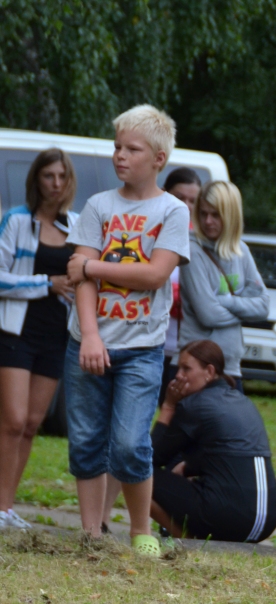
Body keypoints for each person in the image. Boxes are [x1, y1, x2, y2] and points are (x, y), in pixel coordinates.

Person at [65, 104, 190, 556]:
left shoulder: (173, 210)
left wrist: (92, 264)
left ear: (158, 158)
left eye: (132, 149)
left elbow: (156, 275)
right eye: (117, 146)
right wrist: (91, 335)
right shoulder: (98, 206)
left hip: (141, 348)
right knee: (85, 441)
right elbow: (80, 282)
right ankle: (91, 535)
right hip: (88, 342)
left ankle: (140, 532)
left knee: (129, 443)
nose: (120, 155)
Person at [0, 149, 78, 529]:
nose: (56, 184)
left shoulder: (77, 227)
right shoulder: (16, 220)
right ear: (37, 180)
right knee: (12, 420)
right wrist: (47, 283)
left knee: (32, 423)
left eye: (62, 176)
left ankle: (7, 507)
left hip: (56, 336)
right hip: (15, 332)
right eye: (49, 176)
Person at [151, 340, 276, 542]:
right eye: (178, 368)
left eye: (186, 369)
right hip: (268, 520)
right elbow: (223, 454)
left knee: (136, 473)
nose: (178, 375)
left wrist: (168, 407)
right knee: (179, 470)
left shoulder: (194, 405)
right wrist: (186, 468)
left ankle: (187, 541)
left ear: (209, 372)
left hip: (229, 517)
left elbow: (151, 457)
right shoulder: (242, 401)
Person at [179, 180, 268, 391]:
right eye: (203, 214)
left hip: (232, 368)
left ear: (231, 215)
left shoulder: (241, 251)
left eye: (216, 215)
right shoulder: (192, 250)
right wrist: (244, 307)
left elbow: (264, 307)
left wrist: (224, 301)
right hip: (196, 369)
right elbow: (208, 314)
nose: (208, 221)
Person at [160, 166, 201, 403]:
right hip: (153, 342)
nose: (186, 205)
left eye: (192, 200)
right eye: (179, 198)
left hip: (187, 349)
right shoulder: (150, 232)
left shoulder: (202, 243)